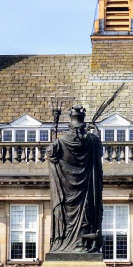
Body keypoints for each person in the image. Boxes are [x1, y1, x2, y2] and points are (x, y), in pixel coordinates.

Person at [46, 105, 103, 254]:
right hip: (86, 191)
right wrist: (95, 130)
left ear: (69, 125)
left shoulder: (60, 142)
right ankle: (83, 245)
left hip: (65, 195)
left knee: (66, 217)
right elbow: (99, 151)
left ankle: (64, 243)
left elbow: (51, 154)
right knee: (87, 215)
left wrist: (54, 129)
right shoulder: (92, 141)